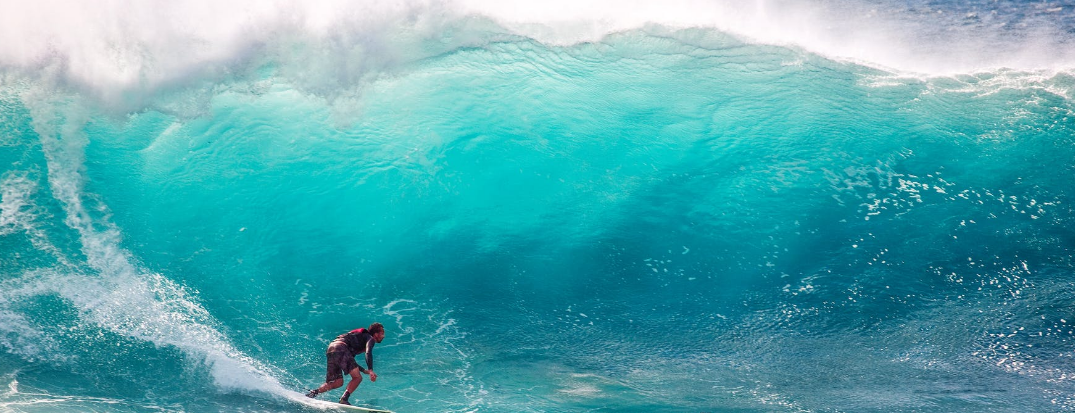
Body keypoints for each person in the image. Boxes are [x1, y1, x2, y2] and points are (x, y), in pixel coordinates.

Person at [305, 322, 386, 405]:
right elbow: (368, 353)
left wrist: (364, 370)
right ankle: (344, 399)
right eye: (382, 333)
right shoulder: (370, 338)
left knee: (338, 382)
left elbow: (349, 359)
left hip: (331, 348)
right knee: (357, 378)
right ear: (376, 334)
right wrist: (370, 370)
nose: (384, 336)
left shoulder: (359, 338)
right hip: (341, 348)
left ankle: (313, 393)